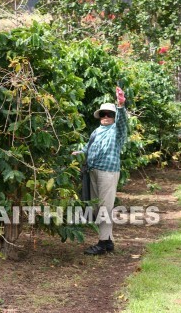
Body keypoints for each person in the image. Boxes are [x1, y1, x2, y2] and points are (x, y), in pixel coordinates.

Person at [72, 87, 127, 255]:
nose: (105, 117)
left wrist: (121, 105)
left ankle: (102, 244)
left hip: (108, 173)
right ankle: (108, 241)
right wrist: (79, 153)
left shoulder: (117, 130)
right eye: (103, 114)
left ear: (114, 117)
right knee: (97, 206)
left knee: (105, 207)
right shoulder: (96, 131)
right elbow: (88, 148)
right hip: (93, 171)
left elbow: (123, 122)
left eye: (109, 114)